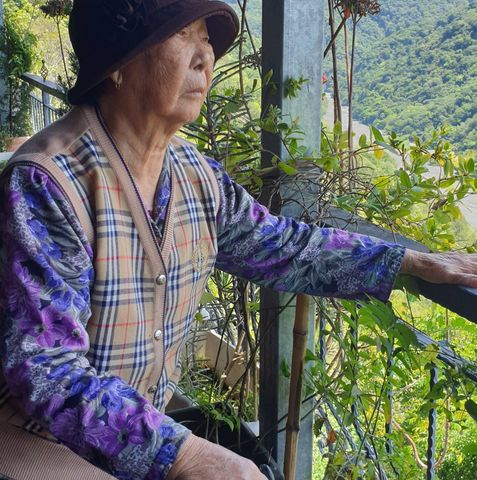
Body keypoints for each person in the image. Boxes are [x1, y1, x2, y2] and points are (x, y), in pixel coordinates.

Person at [0, 1, 476, 479]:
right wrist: (185, 455)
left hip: (129, 448)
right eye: (183, 35)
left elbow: (282, 246)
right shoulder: (47, 185)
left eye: (207, 38)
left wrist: (405, 261)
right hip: (38, 445)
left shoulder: (196, 176)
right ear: (117, 65)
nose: (205, 56)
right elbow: (48, 370)